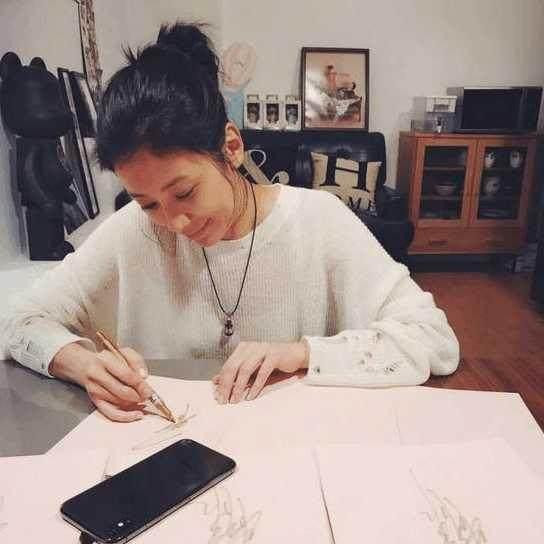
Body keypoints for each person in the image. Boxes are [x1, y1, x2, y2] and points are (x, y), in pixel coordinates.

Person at [0, 23, 460, 423]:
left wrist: (302, 353)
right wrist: (80, 363)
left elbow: (433, 339)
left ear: (232, 147)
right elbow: (18, 321)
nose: (175, 221)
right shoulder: (132, 232)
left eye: (185, 193)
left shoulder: (319, 222)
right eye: (148, 203)